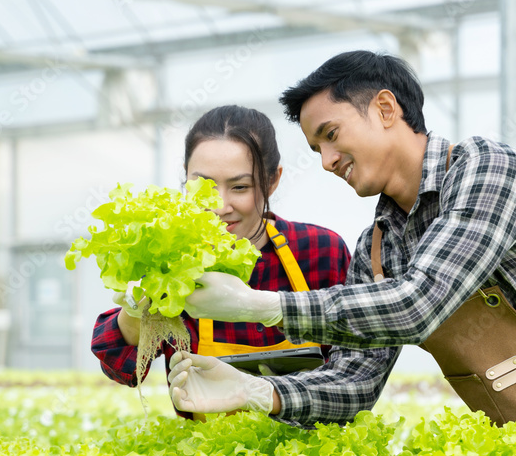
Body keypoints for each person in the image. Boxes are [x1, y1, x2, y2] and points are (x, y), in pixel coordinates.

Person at [167, 50, 516, 447]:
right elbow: (354, 384)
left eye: (331, 135)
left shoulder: (490, 172)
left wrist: (259, 306)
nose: (326, 161)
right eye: (316, 149)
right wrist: (258, 392)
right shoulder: (378, 250)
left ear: (386, 109)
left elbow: (419, 303)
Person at [91, 105, 351, 420]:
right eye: (204, 187)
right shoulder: (173, 259)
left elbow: (356, 371)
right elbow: (122, 370)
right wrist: (136, 312)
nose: (221, 206)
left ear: (272, 181)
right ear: (185, 179)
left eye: (240, 187)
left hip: (309, 454)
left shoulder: (319, 251)